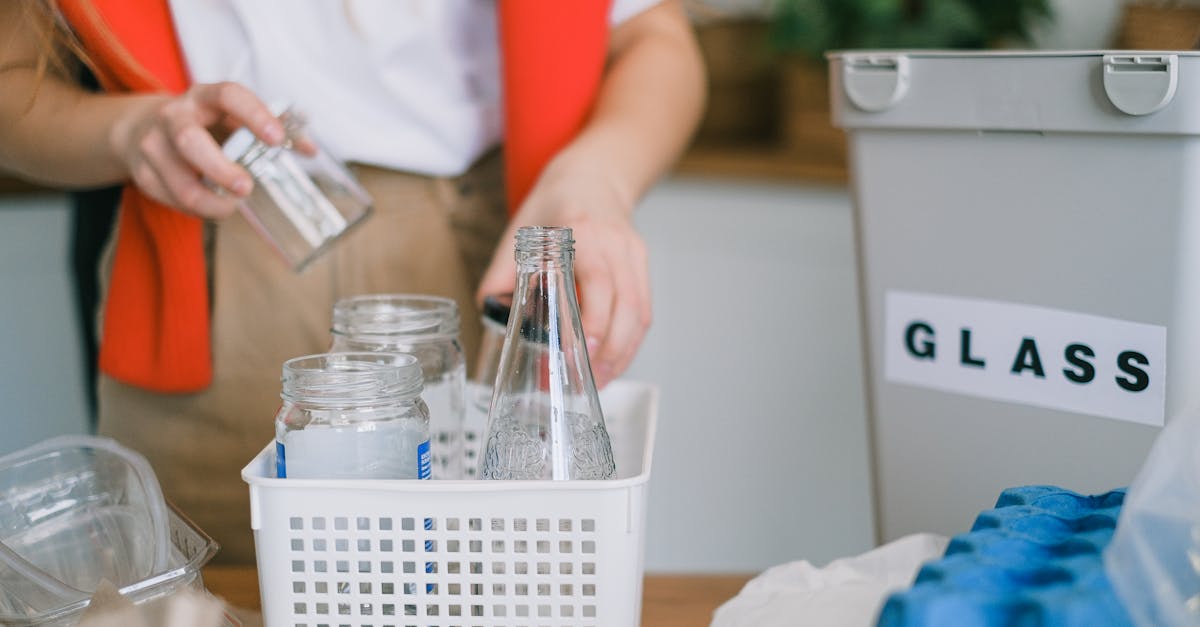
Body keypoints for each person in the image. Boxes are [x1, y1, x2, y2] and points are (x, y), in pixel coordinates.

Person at [0, 0, 704, 563]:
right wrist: (130, 131)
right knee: (216, 588)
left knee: (511, 581)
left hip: (490, 244)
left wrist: (597, 177)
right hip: (224, 249)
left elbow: (654, 37)